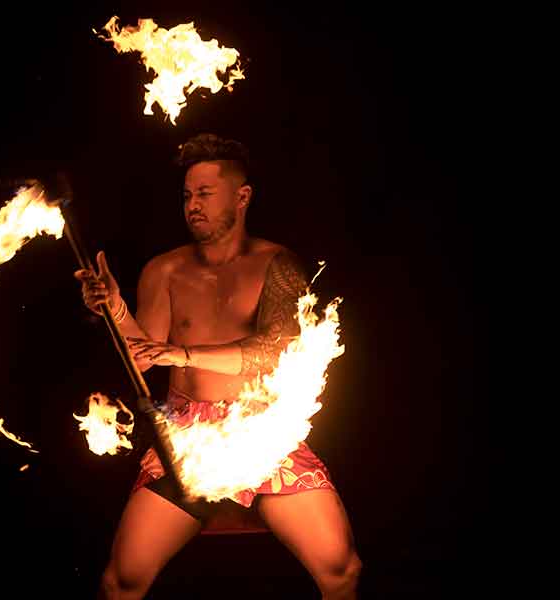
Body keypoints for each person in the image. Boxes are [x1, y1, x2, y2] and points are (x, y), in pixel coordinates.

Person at [74, 134, 361, 599]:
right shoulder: (164, 271)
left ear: (242, 197)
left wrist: (183, 354)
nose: (193, 205)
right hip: (186, 437)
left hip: (264, 433)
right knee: (121, 581)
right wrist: (116, 310)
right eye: (187, 195)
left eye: (205, 193)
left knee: (341, 569)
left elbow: (274, 350)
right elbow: (140, 359)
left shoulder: (276, 264)